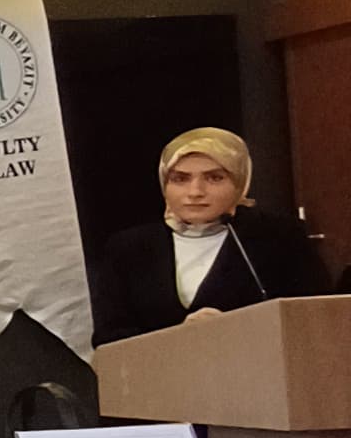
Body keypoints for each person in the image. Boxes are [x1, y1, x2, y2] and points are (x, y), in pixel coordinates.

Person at [91, 126, 329, 344]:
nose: (195, 192)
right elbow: (108, 338)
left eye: (214, 178)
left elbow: (318, 321)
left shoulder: (279, 238)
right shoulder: (129, 248)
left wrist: (236, 331)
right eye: (180, 179)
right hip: (161, 374)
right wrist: (178, 336)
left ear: (240, 182)